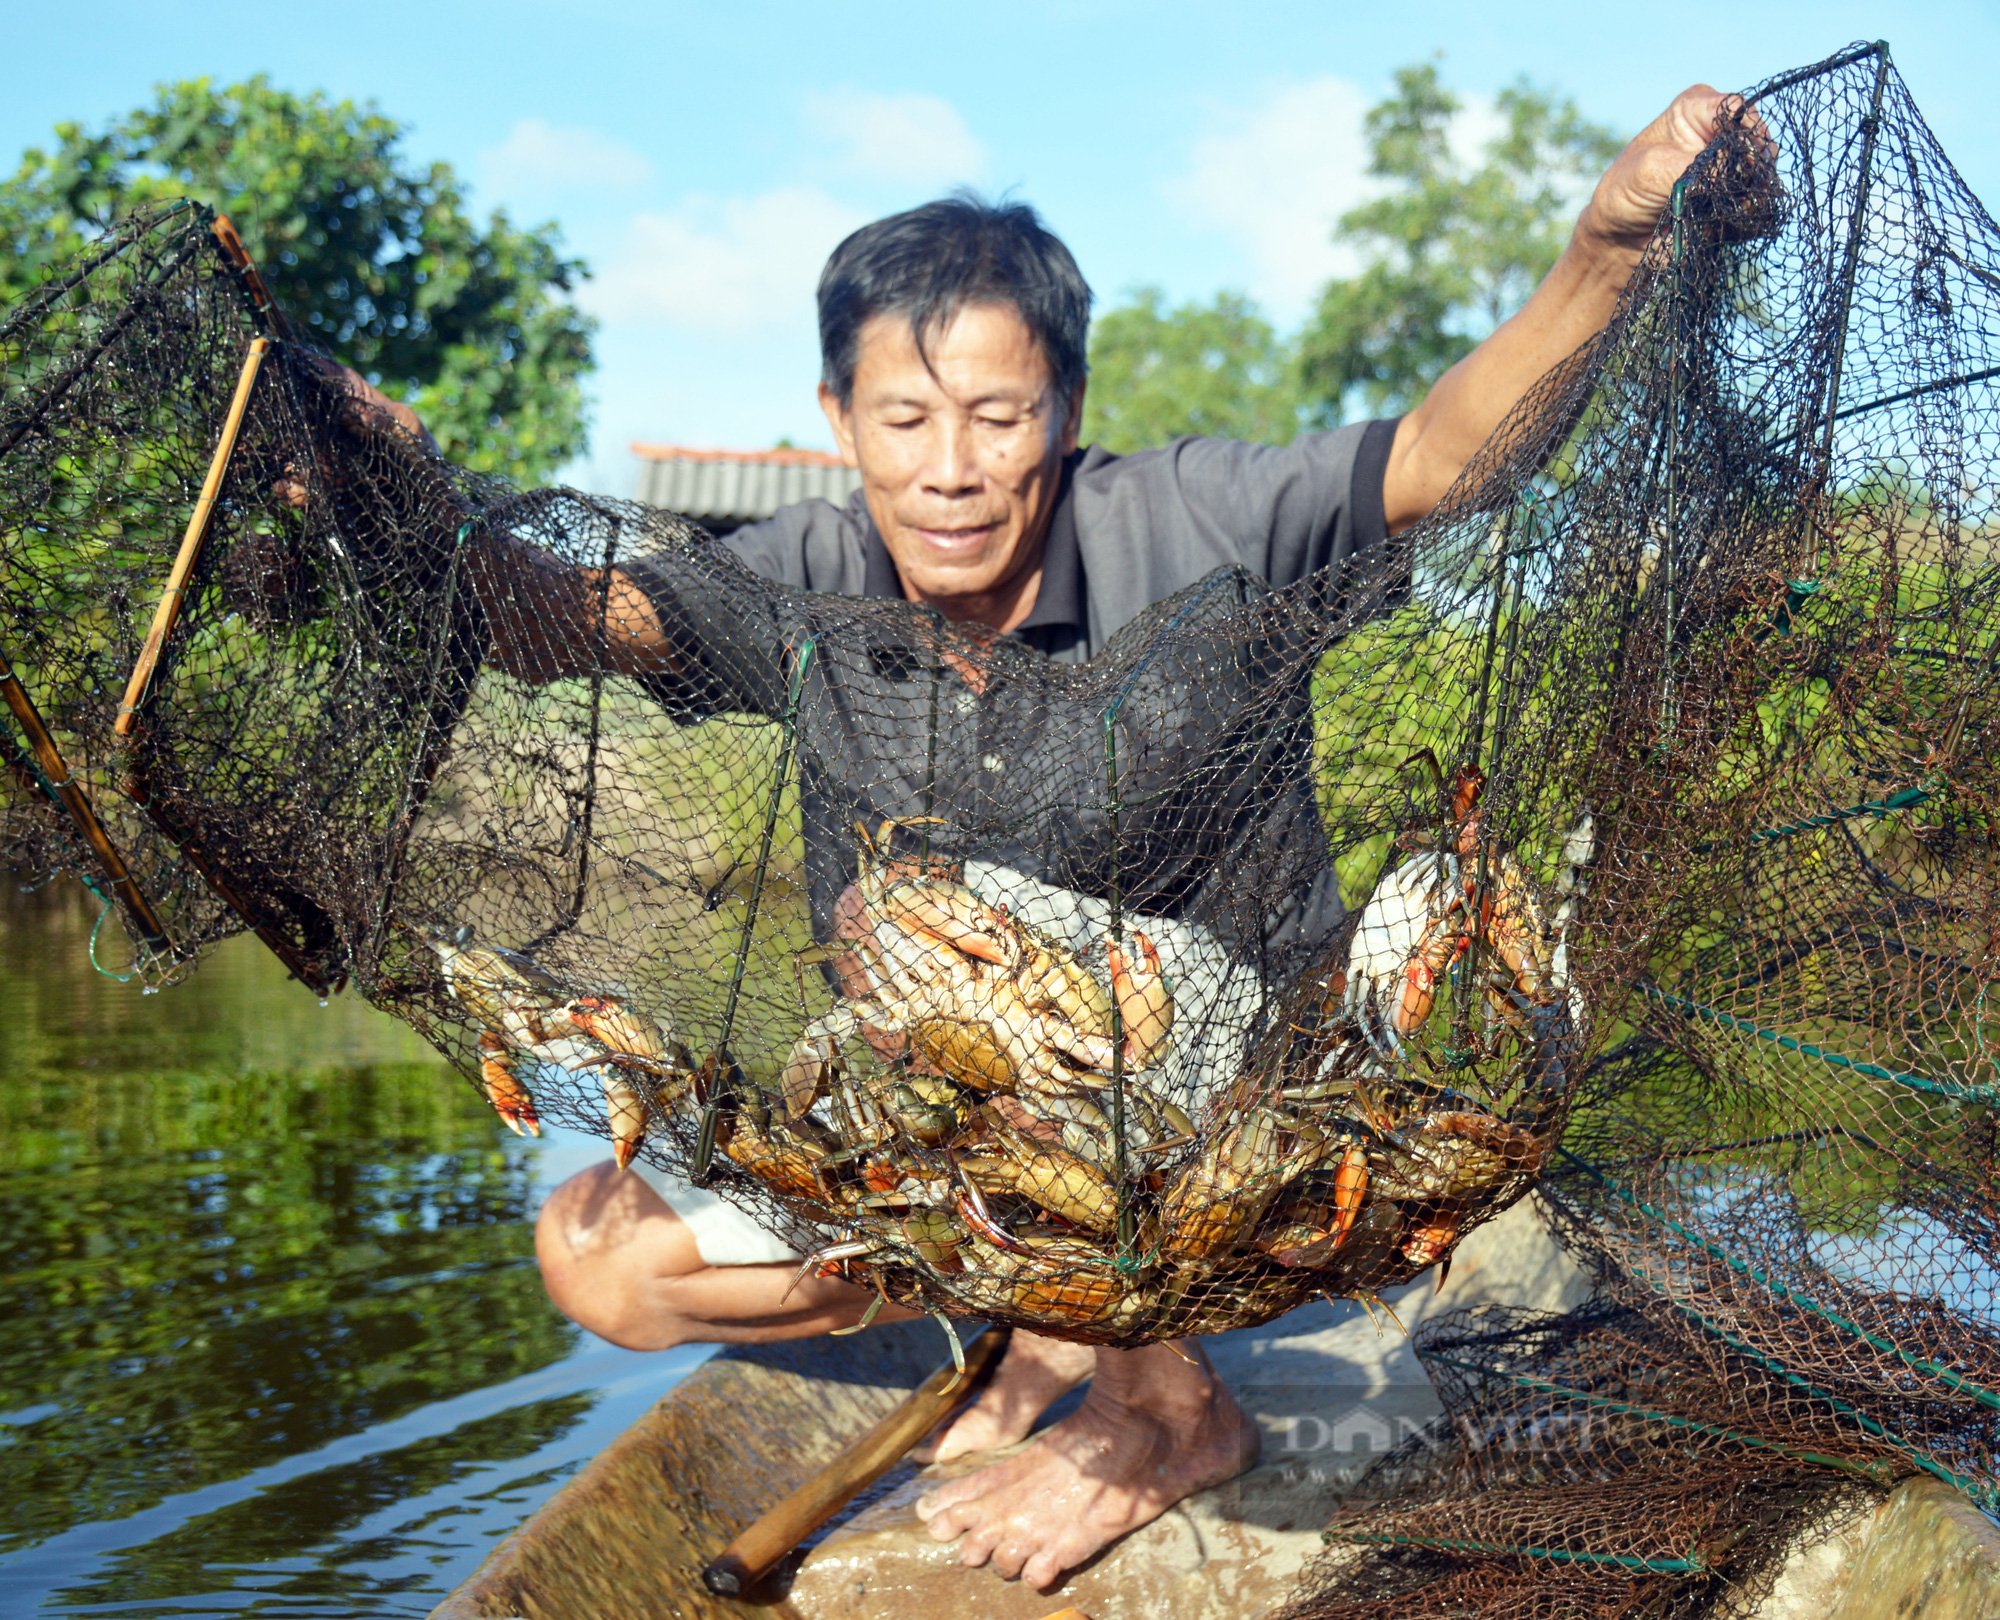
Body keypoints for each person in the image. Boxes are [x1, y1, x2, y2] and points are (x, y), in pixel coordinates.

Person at [335, 84, 1732, 1591]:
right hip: (968, 1141)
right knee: (596, 1257)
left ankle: (1169, 1411)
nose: (950, 467)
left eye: (997, 420)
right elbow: (561, 623)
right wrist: (400, 511)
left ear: (1061, 413)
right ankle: (1043, 1305)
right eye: (906, 419)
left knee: (986, 941)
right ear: (838, 423)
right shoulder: (801, 577)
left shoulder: (1197, 523)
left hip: (1237, 1136)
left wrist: (1605, 247)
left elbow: (1451, 456)